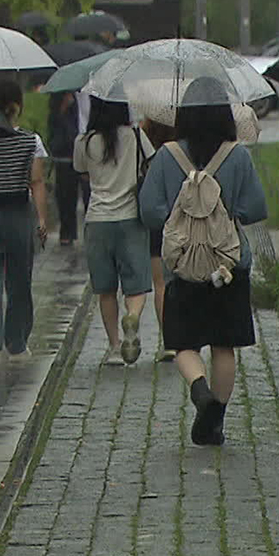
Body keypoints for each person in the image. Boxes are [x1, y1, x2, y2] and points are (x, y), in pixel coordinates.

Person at [139, 79, 268, 446]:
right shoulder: (238, 156)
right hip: (229, 267)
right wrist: (226, 212)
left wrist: (178, 219)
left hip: (183, 268)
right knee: (224, 346)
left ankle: (201, 394)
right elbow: (257, 208)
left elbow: (148, 211)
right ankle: (216, 422)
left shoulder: (166, 157)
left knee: (184, 344)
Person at [74, 97, 155, 366]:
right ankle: (131, 316)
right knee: (137, 284)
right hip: (130, 218)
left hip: (97, 220)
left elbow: (82, 173)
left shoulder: (84, 142)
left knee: (105, 289)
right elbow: (150, 165)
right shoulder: (135, 135)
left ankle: (113, 346)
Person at [0, 80, 49, 364]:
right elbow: (37, 182)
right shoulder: (31, 140)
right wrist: (42, 219)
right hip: (19, 213)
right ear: (18, 106)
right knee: (19, 280)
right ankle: (16, 342)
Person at [139, 118, 179, 362]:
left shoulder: (147, 144)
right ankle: (188, 335)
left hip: (158, 221)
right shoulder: (186, 146)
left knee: (161, 284)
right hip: (186, 220)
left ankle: (169, 341)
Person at [49, 92, 86, 245]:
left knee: (88, 193)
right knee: (65, 195)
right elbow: (55, 133)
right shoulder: (58, 107)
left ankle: (83, 231)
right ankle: (67, 231)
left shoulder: (82, 102)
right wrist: (63, 109)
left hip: (82, 153)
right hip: (64, 157)